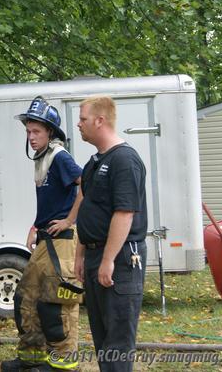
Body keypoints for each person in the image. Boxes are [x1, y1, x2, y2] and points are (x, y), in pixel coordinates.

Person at [1, 97, 83, 372]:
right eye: (28, 132)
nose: (31, 137)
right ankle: (32, 356)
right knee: (26, 296)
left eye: (36, 131)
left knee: (57, 300)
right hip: (45, 239)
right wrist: (35, 226)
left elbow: (87, 184)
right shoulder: (42, 158)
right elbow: (50, 201)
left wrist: (70, 219)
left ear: (50, 132)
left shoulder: (60, 156)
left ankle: (62, 361)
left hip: (62, 242)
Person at [74, 96, 147, 372]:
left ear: (100, 120)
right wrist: (81, 254)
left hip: (120, 258)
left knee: (117, 340)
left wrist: (108, 260)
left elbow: (124, 214)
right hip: (94, 254)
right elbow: (87, 209)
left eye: (83, 119)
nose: (78, 124)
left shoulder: (125, 160)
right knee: (102, 337)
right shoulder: (94, 162)